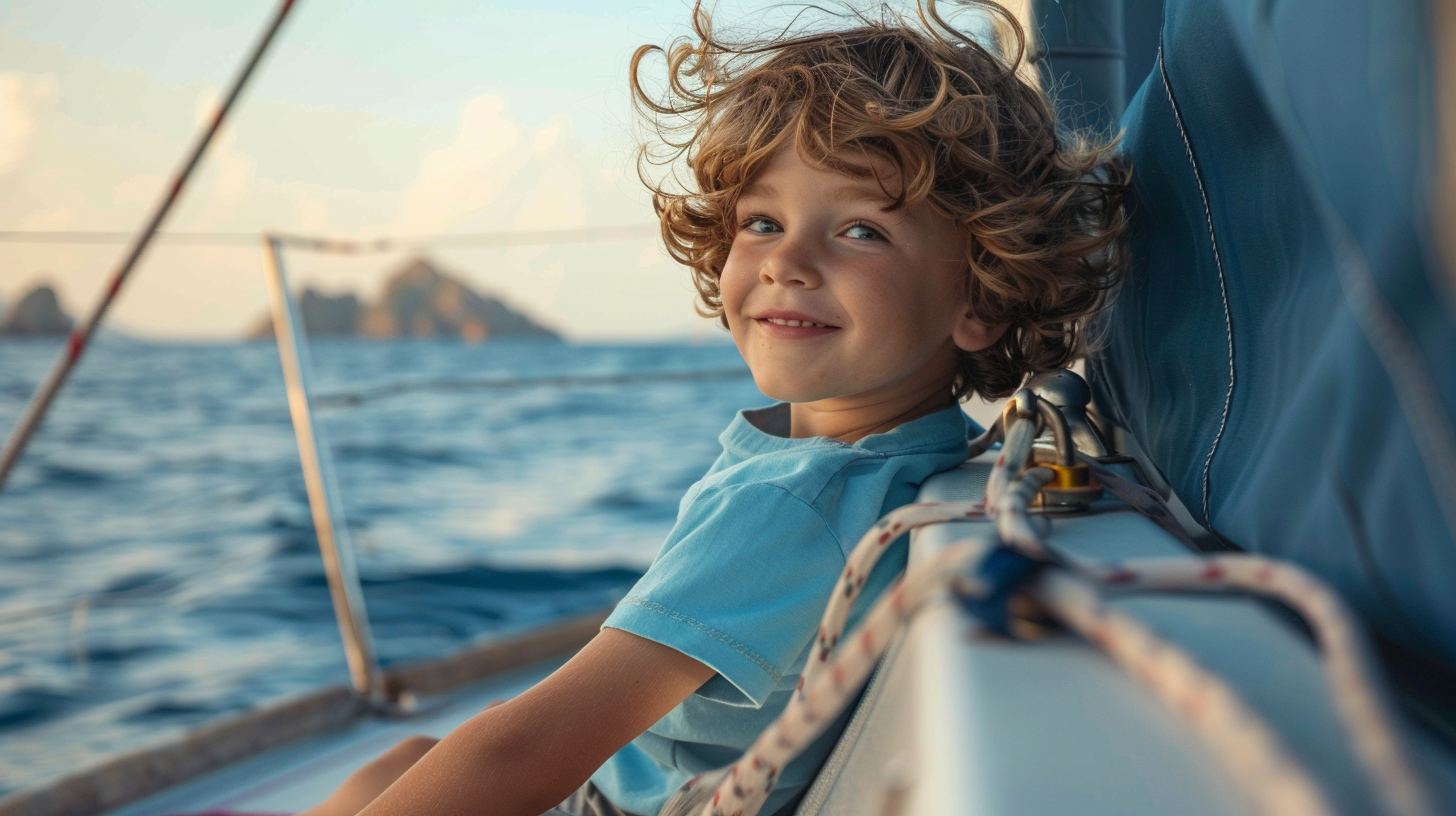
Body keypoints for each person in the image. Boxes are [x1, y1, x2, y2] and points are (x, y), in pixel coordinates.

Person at [303, 2, 1128, 815]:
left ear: (979, 297)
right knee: (411, 756)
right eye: (762, 221)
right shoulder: (916, 453)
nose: (787, 263)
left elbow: (522, 754)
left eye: (862, 231)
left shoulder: (790, 504)